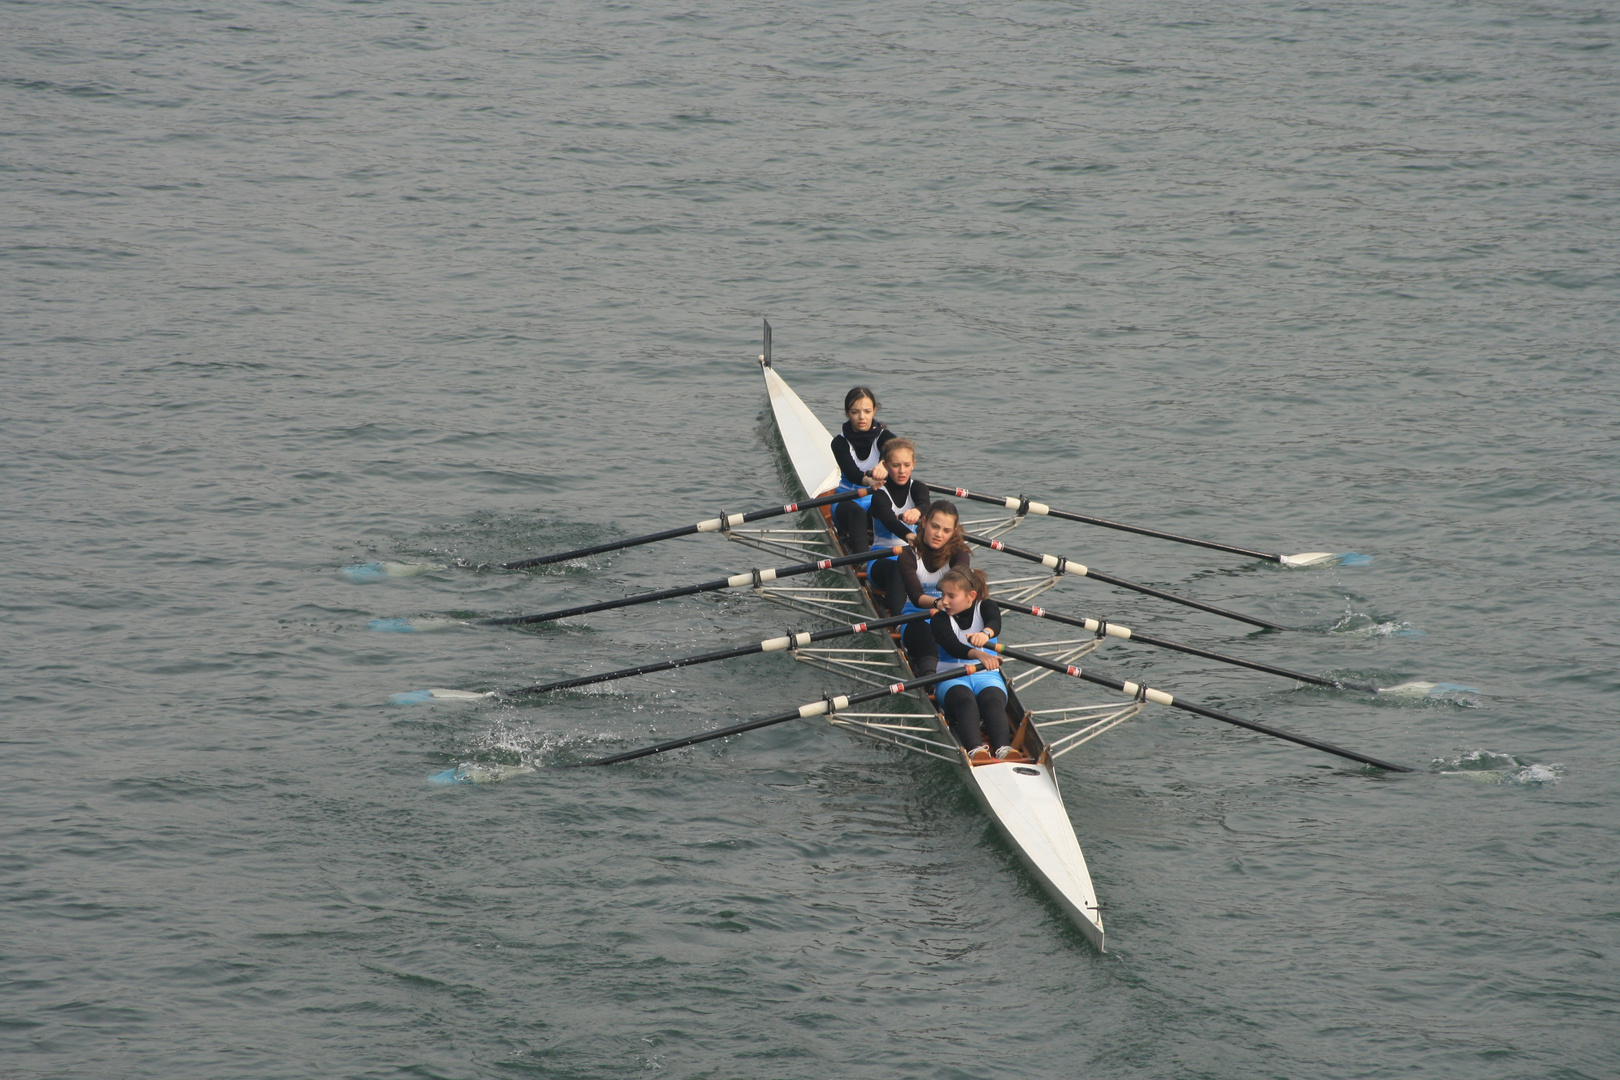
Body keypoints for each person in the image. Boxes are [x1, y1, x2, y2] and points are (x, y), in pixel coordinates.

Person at [929, 567, 1027, 764]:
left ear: (971, 596)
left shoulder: (986, 606)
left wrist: (985, 634)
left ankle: (1003, 749)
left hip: (986, 675)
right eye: (942, 595)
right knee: (965, 700)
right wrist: (979, 654)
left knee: (992, 698)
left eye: (951, 596)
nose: (944, 601)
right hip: (951, 676)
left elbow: (994, 622)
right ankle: (974, 750)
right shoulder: (940, 619)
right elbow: (953, 646)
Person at [876, 501, 972, 672]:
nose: (939, 534)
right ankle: (930, 682)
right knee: (928, 642)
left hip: (947, 616)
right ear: (924, 522)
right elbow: (916, 596)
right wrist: (938, 603)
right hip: (915, 618)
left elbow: (959, 578)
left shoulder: (960, 555)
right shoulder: (908, 556)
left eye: (946, 530)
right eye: (935, 526)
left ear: (954, 532)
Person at [829, 387, 895, 552]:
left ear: (874, 411)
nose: (861, 417)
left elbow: (894, 449)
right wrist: (869, 480)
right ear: (847, 413)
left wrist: (883, 464)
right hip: (846, 500)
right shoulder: (839, 443)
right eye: (855, 412)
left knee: (890, 509)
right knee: (856, 513)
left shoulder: (884, 437)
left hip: (874, 498)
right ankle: (863, 561)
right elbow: (852, 473)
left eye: (867, 411)